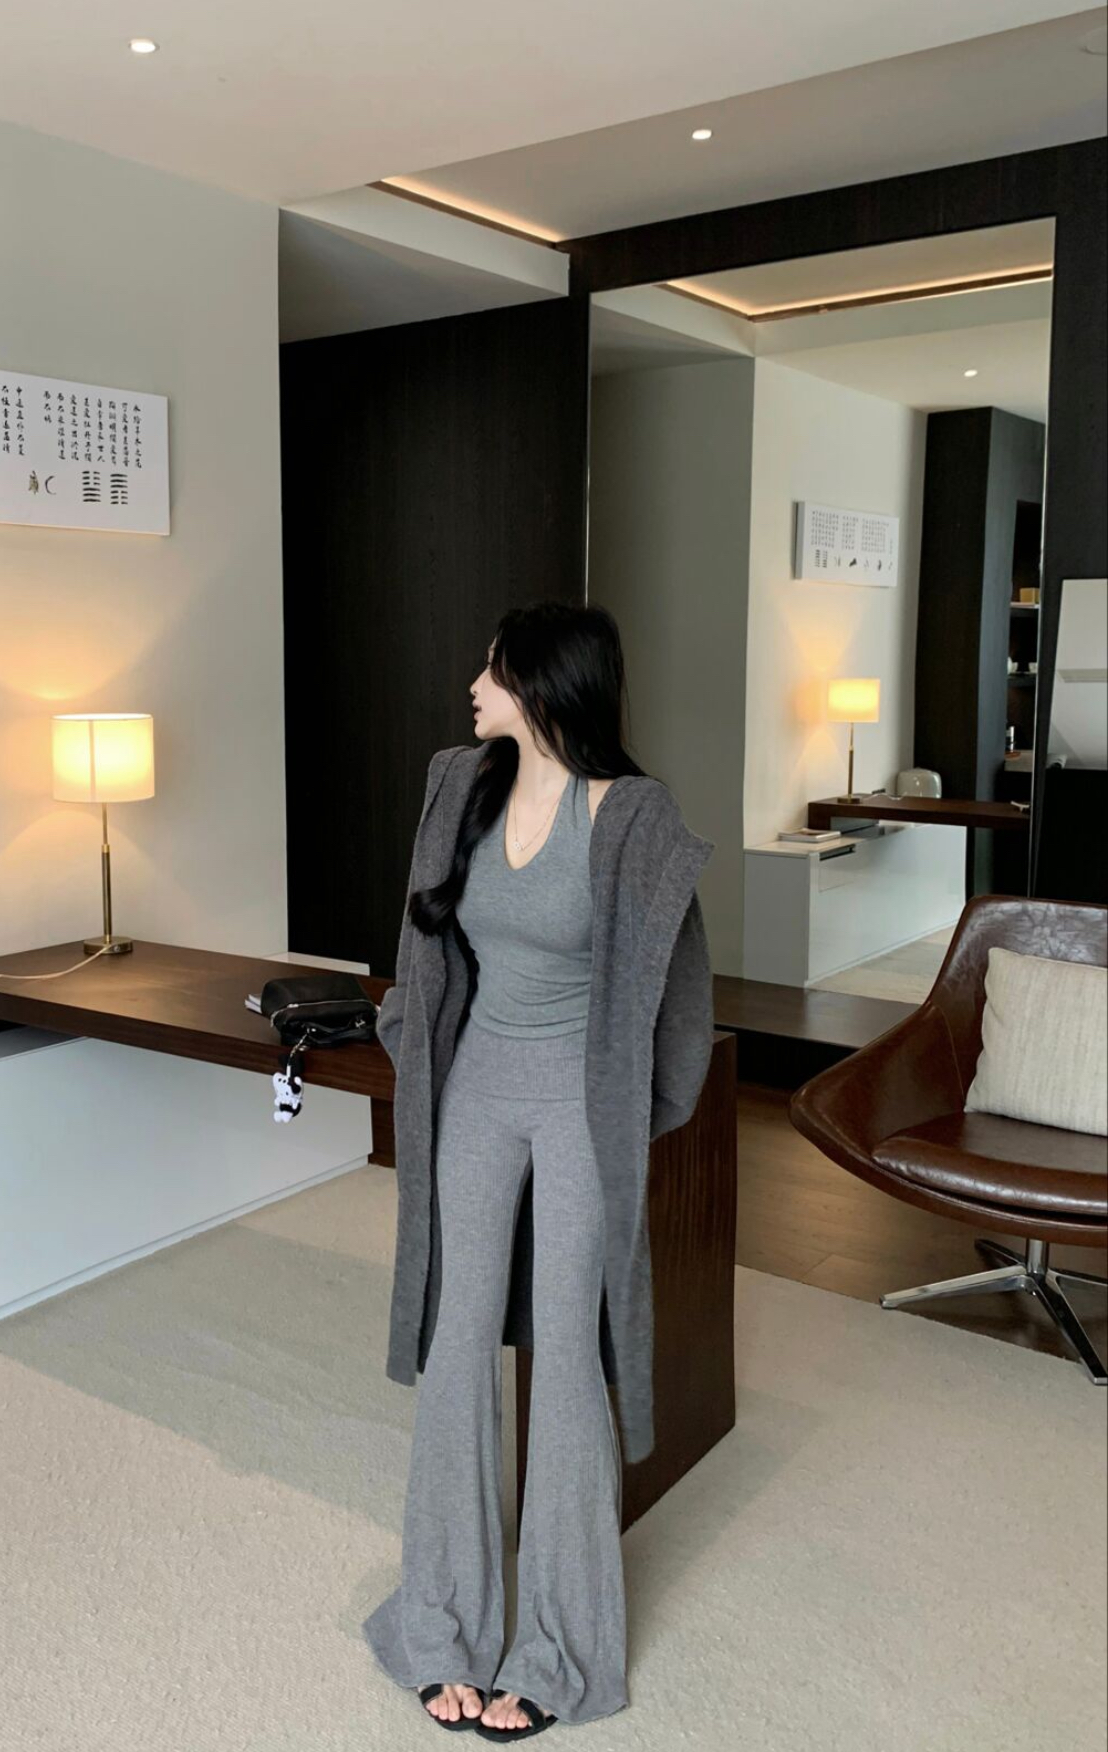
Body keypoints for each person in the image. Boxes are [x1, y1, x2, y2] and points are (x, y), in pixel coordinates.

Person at [363, 599, 715, 1738]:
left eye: (494, 668)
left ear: (544, 685)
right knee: (457, 1342)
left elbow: (680, 988)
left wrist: (640, 1115)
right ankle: (439, 1627)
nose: (475, 685)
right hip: (477, 1087)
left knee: (567, 1359)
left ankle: (558, 1650)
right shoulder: (459, 783)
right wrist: (404, 1030)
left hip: (577, 1103)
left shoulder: (630, 816)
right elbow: (423, 947)